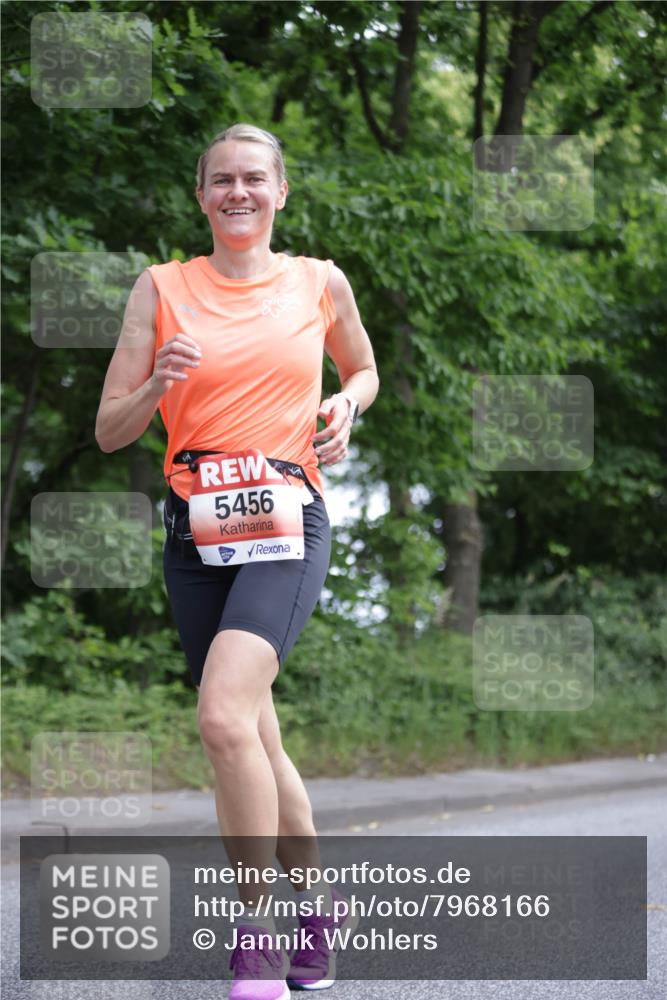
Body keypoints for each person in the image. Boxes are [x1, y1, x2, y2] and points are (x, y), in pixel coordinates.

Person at [95, 123, 379, 999]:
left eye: (255, 178)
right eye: (221, 180)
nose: (238, 192)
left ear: (280, 191)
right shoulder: (160, 289)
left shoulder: (319, 281)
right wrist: (157, 381)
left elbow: (363, 369)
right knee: (253, 733)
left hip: (288, 522)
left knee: (221, 719)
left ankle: (254, 931)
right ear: (201, 196)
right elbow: (109, 431)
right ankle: (319, 909)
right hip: (197, 533)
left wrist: (346, 406)